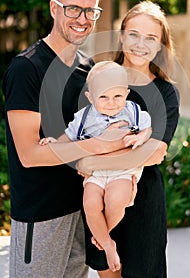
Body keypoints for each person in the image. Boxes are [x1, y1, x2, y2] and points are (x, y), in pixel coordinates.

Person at [2, 0, 131, 278]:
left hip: (81, 211)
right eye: (73, 8)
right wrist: (98, 145)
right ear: (53, 8)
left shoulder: (89, 70)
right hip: (41, 217)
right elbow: (30, 154)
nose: (82, 19)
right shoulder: (26, 68)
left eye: (91, 11)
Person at [81, 1, 180, 278]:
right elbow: (81, 132)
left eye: (151, 38)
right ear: (121, 36)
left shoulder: (165, 93)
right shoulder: (97, 77)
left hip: (143, 200)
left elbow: (155, 152)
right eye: (134, 34)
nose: (140, 44)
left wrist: (93, 157)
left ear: (161, 46)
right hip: (99, 199)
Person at [39, 60, 152, 272]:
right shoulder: (84, 117)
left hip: (122, 171)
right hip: (97, 173)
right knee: (90, 203)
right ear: (91, 97)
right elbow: (70, 137)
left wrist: (141, 138)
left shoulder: (132, 111)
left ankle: (103, 236)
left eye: (118, 96)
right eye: (103, 97)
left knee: (116, 199)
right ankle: (107, 244)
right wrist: (55, 142)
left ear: (126, 93)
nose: (111, 103)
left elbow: (147, 127)